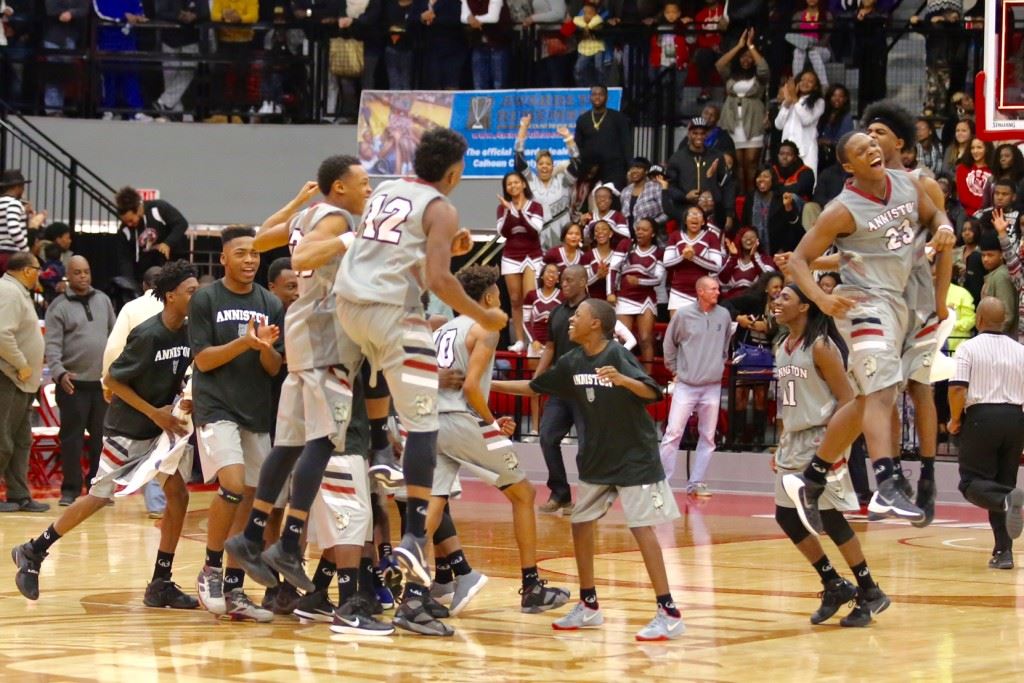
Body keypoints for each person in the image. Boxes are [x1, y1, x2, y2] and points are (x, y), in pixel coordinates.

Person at [334, 128, 507, 636]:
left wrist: (440, 248)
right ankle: (412, 537)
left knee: (383, 395)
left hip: (350, 309)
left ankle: (382, 453)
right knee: (425, 422)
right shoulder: (441, 206)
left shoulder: (386, 189)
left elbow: (398, 257)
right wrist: (485, 316)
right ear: (454, 173)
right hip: (388, 312)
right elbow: (437, 281)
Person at [783, 131, 957, 537]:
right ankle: (887, 483)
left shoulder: (908, 184)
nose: (872, 150)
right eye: (862, 150)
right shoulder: (840, 210)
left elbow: (934, 215)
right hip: (861, 302)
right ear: (849, 166)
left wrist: (945, 226)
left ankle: (812, 477)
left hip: (898, 301)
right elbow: (798, 260)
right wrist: (821, 302)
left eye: (873, 145)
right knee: (882, 392)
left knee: (867, 400)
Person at [492, 298, 684, 641]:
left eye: (577, 315)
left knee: (642, 530)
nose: (570, 320)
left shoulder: (615, 354)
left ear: (596, 323)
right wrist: (486, 385)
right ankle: (589, 605)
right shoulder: (572, 360)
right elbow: (535, 388)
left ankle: (668, 611)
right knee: (580, 524)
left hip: (634, 459)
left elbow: (653, 392)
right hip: (597, 459)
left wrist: (624, 381)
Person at [12, 261, 200, 607]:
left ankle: (161, 582)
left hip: (160, 431)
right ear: (171, 296)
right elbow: (113, 381)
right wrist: (154, 412)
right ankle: (33, 549)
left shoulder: (188, 332)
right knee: (99, 496)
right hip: (128, 427)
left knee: (178, 495)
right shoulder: (149, 334)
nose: (198, 295)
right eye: (192, 291)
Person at [429, 265, 570, 614]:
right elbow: (471, 387)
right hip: (461, 421)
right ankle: (531, 585)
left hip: (431, 423)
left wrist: (485, 416)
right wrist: (489, 424)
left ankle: (411, 585)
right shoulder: (487, 327)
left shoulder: (443, 330)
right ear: (491, 296)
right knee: (523, 494)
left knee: (433, 504)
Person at [771, 283, 889, 627]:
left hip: (821, 441)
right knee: (787, 517)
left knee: (832, 519)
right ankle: (833, 583)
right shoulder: (783, 345)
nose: (777, 302)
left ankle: (870, 590)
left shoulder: (820, 346)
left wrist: (834, 447)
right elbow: (788, 402)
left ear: (806, 307)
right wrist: (781, 441)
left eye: (785, 298)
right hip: (793, 441)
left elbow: (848, 399)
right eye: (776, 297)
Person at [190, 226, 284, 623]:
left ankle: (234, 588)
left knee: (251, 495)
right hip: (216, 408)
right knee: (231, 483)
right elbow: (203, 360)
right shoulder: (206, 298)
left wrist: (263, 348)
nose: (249, 260)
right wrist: (243, 343)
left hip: (254, 410)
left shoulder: (270, 302)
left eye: (254, 254)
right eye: (241, 253)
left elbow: (274, 367)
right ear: (224, 258)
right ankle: (210, 569)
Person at [948, 297, 1024, 569]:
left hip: (981, 418)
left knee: (971, 484)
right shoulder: (1020, 350)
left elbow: (957, 389)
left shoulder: (968, 348)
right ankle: (1004, 553)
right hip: (1015, 419)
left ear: (979, 320)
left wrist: (955, 420)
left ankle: (1006, 500)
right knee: (1003, 480)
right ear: (1003, 321)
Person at [44, 255, 116, 506]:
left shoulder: (103, 300)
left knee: (100, 439)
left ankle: (98, 489)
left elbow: (114, 336)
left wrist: (115, 372)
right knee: (71, 440)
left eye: (86, 272)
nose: (83, 277)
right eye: (77, 273)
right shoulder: (58, 307)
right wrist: (59, 373)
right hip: (72, 384)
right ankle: (70, 489)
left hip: (101, 385)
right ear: (68, 275)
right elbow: (51, 345)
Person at [659, 276, 731, 496]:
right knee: (672, 434)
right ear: (700, 291)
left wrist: (717, 365)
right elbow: (669, 343)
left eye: (717, 289)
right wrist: (675, 370)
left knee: (708, 437)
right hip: (686, 385)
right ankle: (661, 483)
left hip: (712, 385)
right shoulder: (683, 315)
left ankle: (697, 483)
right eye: (712, 289)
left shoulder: (724, 315)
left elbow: (726, 344)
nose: (717, 292)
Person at [102, 264, 165, 517]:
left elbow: (114, 348)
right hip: (168, 387)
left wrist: (106, 382)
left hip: (132, 387)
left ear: (144, 286)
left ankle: (103, 491)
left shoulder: (132, 307)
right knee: (161, 444)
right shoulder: (179, 307)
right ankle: (159, 504)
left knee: (121, 439)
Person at [533, 264, 588, 514]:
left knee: (587, 446)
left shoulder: (595, 310)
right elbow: (550, 347)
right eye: (562, 280)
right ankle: (560, 493)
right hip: (560, 388)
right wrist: (537, 377)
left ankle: (588, 497)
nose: (563, 284)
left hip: (586, 388)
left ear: (583, 282)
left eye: (568, 280)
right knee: (547, 437)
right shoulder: (556, 313)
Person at [0, 252, 48, 513]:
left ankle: (19, 495)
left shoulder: (17, 291)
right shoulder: (8, 291)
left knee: (21, 440)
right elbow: (1, 334)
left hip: (21, 381)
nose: (40, 274)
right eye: (37, 269)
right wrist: (22, 364)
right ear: (28, 270)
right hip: (8, 377)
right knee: (2, 440)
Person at [724, 271, 783, 446]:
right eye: (775, 287)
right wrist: (739, 318)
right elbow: (726, 303)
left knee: (760, 396)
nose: (778, 290)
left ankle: (758, 438)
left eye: (781, 287)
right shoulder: (753, 301)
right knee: (740, 395)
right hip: (744, 352)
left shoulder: (783, 306)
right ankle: (735, 437)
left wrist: (768, 327)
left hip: (765, 355)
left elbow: (782, 329)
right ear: (766, 288)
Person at [716, 28, 770, 194]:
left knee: (752, 162)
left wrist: (750, 47)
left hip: (753, 121)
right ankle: (741, 198)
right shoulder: (731, 76)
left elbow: (764, 68)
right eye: (743, 57)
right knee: (738, 164)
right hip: (733, 121)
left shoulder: (759, 78)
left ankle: (754, 197)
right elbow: (720, 64)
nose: (746, 60)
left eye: (749, 58)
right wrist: (739, 46)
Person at [514, 115, 580, 250]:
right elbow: (518, 159)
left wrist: (568, 138)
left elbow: (577, 162)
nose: (544, 166)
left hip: (563, 241)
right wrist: (523, 128)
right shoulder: (529, 180)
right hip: (537, 240)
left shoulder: (563, 180)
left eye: (548, 164)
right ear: (536, 166)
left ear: (553, 166)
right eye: (541, 163)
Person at [497, 170, 544, 353]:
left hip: (532, 256)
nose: (513, 186)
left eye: (516, 182)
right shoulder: (502, 208)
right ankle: (519, 340)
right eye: (509, 184)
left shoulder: (535, 206)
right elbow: (503, 232)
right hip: (511, 256)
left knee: (529, 298)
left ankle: (534, 339)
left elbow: (535, 230)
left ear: (524, 184)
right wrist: (509, 212)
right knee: (515, 300)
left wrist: (516, 211)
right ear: (506, 188)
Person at [610, 217, 663, 370]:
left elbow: (659, 279)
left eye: (644, 230)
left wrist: (639, 282)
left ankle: (648, 378)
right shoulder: (625, 245)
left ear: (653, 234)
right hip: (625, 296)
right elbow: (613, 269)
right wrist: (610, 292)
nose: (640, 232)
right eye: (638, 229)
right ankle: (619, 375)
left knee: (646, 339)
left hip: (646, 299)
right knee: (621, 339)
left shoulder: (658, 252)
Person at [665, 117, 734, 232]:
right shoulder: (677, 158)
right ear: (689, 134)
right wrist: (685, 196)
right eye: (695, 133)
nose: (699, 137)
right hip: (686, 212)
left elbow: (728, 185)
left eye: (702, 133)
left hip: (713, 213)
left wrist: (729, 213)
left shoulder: (716, 156)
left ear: (706, 135)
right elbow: (670, 186)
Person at [114, 187, 190, 284]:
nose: (129, 224)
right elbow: (124, 261)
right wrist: (129, 283)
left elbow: (181, 224)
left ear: (139, 209)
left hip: (169, 266)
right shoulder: (124, 230)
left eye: (131, 220)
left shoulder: (158, 208)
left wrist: (168, 243)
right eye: (125, 221)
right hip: (144, 274)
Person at [663, 206, 722, 313]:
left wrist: (694, 257)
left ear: (703, 221)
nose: (695, 217)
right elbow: (666, 263)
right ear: (685, 220)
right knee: (679, 329)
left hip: (703, 292)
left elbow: (717, 266)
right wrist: (683, 257)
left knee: (702, 329)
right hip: (678, 291)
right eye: (691, 214)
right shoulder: (675, 236)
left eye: (699, 214)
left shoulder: (711, 237)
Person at [574, 86, 632, 187]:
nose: (597, 97)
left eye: (600, 94)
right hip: (590, 171)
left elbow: (626, 143)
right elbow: (579, 145)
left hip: (614, 170)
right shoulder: (583, 119)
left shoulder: (618, 118)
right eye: (594, 94)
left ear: (606, 97)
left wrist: (629, 167)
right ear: (590, 97)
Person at [774, 71, 825, 179]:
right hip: (787, 151)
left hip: (806, 150)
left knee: (808, 182)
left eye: (810, 81)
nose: (805, 83)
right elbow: (778, 125)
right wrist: (787, 103)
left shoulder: (819, 102)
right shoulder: (790, 101)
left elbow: (806, 120)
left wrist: (794, 100)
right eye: (802, 80)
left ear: (815, 87)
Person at [743, 166, 802, 255]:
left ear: (773, 179)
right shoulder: (750, 197)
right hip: (753, 250)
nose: (761, 179)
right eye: (759, 176)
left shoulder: (782, 198)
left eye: (766, 176)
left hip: (779, 251)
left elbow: (794, 229)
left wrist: (784, 249)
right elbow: (744, 225)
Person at [0, 170, 46, 274]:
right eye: (22, 186)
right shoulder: (14, 203)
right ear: (17, 187)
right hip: (12, 257)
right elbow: (14, 229)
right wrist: (26, 250)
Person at [979, 232, 1018, 335]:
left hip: (1000, 339)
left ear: (1001, 255)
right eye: (983, 255)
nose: (985, 259)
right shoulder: (994, 274)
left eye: (990, 255)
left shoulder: (1001, 276)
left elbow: (1007, 315)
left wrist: (991, 337)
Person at [719, 227, 775, 299]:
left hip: (756, 301)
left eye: (752, 237)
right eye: (745, 237)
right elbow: (722, 279)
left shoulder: (766, 259)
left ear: (757, 240)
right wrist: (733, 257)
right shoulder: (732, 258)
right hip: (733, 302)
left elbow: (768, 280)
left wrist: (754, 258)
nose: (748, 239)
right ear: (740, 240)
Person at [620, 158, 667, 238]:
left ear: (646, 171)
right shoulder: (625, 191)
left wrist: (651, 224)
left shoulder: (655, 187)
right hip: (630, 239)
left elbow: (666, 212)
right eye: (632, 168)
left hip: (653, 239)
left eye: (638, 168)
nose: (634, 171)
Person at [955, 137, 993, 217]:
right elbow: (963, 198)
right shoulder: (962, 168)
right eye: (972, 148)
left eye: (979, 147)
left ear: (987, 149)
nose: (975, 151)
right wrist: (978, 212)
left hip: (989, 213)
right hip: (967, 213)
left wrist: (985, 211)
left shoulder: (994, 169)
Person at [581, 220, 616, 300]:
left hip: (613, 301)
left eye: (604, 229)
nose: (600, 232)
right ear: (594, 236)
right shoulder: (587, 256)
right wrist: (597, 276)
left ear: (610, 233)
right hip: (593, 301)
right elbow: (583, 284)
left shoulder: (617, 255)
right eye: (596, 230)